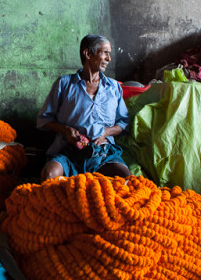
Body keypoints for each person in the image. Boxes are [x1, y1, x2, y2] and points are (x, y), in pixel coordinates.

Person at [37, 34, 131, 181]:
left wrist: (105, 133)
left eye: (109, 53)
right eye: (105, 52)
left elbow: (123, 124)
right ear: (88, 54)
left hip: (102, 153)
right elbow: (44, 120)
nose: (109, 58)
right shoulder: (64, 84)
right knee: (49, 175)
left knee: (128, 179)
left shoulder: (113, 87)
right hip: (69, 151)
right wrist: (66, 130)